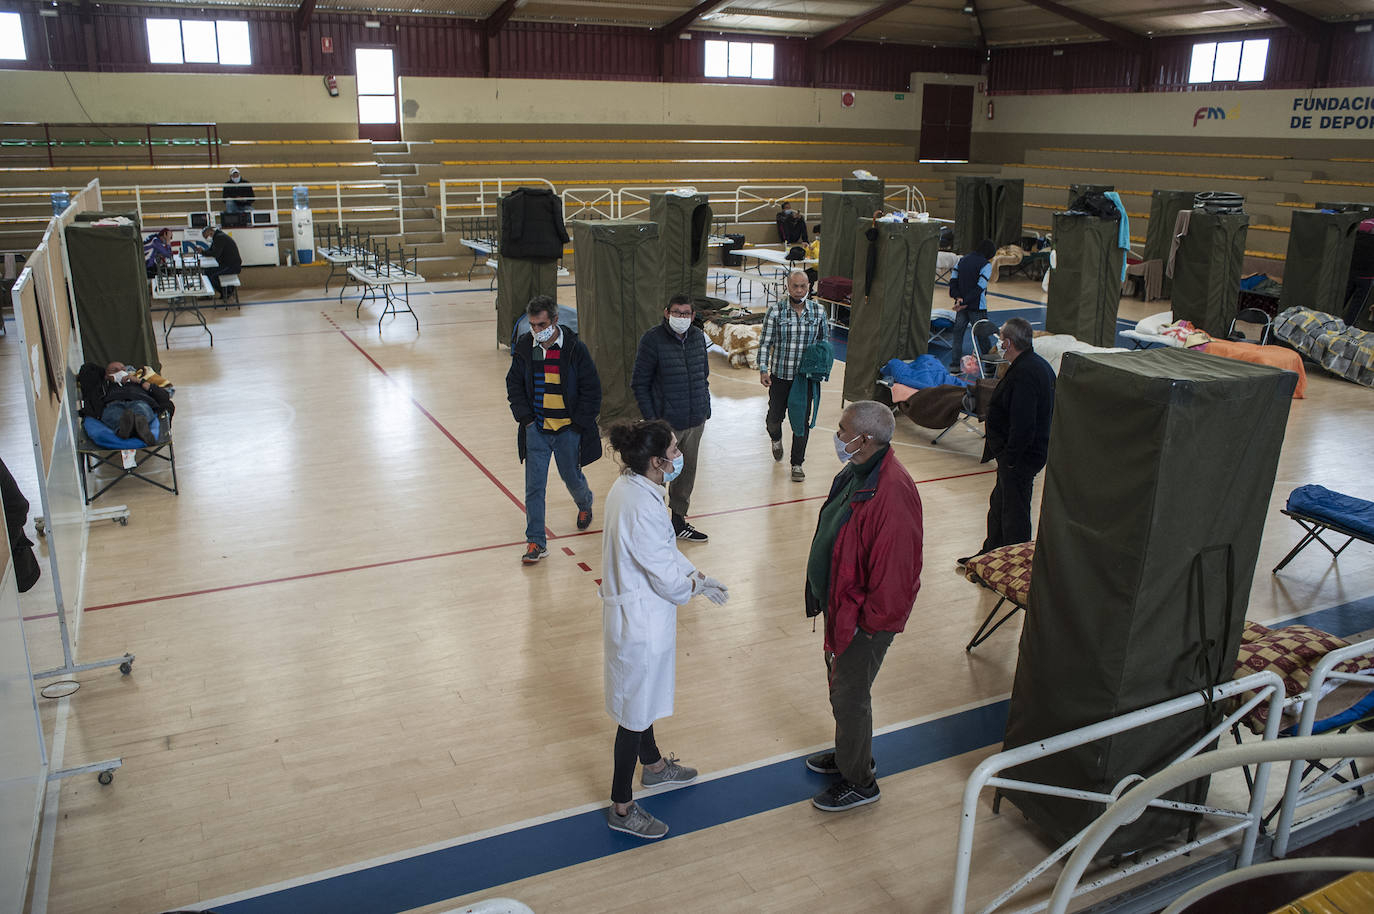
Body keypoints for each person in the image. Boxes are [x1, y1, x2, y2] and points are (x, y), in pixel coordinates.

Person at [600, 419, 729, 839]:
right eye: (674, 450)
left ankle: (653, 766)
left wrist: (697, 574)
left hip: (640, 615)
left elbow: (665, 551)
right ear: (656, 461)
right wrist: (693, 586)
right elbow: (668, 581)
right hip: (640, 622)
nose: (679, 455)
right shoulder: (640, 505)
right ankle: (622, 807)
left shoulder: (633, 486)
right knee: (633, 714)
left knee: (643, 698)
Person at [803, 401, 923, 812]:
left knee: (850, 695)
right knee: (841, 689)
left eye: (842, 430)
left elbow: (896, 576)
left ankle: (859, 781)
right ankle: (849, 754)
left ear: (865, 439)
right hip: (844, 609)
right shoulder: (857, 471)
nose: (837, 436)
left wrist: (867, 628)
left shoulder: (893, 494)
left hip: (865, 622)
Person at [505, 296, 602, 565]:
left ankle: (585, 503)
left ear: (555, 321)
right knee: (534, 488)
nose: (536, 330)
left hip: (568, 431)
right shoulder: (526, 347)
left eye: (542, 325)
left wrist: (578, 424)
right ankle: (536, 541)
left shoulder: (575, 348)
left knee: (571, 478)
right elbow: (514, 384)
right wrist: (526, 419)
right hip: (536, 429)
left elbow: (592, 389)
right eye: (533, 325)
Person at [958, 317, 1055, 565]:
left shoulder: (1026, 373)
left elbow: (1024, 422)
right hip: (1017, 456)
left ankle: (1014, 564)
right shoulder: (1034, 366)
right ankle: (990, 555)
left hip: (1020, 458)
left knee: (1014, 512)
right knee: (1000, 505)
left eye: (1001, 340)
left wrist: (1010, 457)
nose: (999, 345)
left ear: (1009, 343)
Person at [630, 293, 711, 543]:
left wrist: (705, 407)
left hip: (695, 420)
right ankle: (652, 525)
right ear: (667, 313)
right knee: (657, 475)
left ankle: (678, 522)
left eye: (686, 313)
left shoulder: (698, 338)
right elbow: (639, 383)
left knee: (686, 473)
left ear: (693, 316)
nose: (681, 317)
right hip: (666, 425)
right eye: (676, 312)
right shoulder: (652, 339)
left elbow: (703, 375)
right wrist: (653, 422)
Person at [759, 270, 828, 482]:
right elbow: (765, 343)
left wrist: (821, 368)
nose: (799, 290)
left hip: (804, 380)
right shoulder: (776, 311)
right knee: (774, 419)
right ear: (788, 287)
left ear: (809, 287)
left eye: (803, 286)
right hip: (780, 376)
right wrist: (763, 369)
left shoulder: (819, 311)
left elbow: (824, 344)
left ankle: (797, 464)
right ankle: (776, 438)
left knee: (801, 423)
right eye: (795, 286)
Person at [76, 360, 173, 447]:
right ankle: (131, 430)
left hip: (139, 400)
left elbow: (164, 396)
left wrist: (140, 381)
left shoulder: (137, 382)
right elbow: (87, 369)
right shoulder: (103, 386)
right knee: (114, 414)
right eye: (115, 370)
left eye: (123, 369)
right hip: (113, 403)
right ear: (106, 375)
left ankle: (136, 427)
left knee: (141, 410)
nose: (120, 372)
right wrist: (107, 378)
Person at [947, 239, 997, 372]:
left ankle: (954, 366)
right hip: (977, 307)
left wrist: (958, 298)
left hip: (961, 307)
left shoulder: (961, 260)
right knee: (983, 337)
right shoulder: (985, 265)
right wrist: (965, 302)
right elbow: (980, 287)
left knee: (958, 336)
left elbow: (953, 281)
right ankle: (990, 367)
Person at [200, 226, 243, 300]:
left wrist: (203, 252)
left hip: (232, 266)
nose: (207, 238)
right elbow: (211, 250)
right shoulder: (217, 237)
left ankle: (226, 292)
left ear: (210, 231)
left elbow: (215, 253)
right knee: (207, 272)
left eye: (206, 236)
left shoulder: (220, 237)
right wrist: (202, 252)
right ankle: (210, 293)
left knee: (212, 276)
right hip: (227, 265)